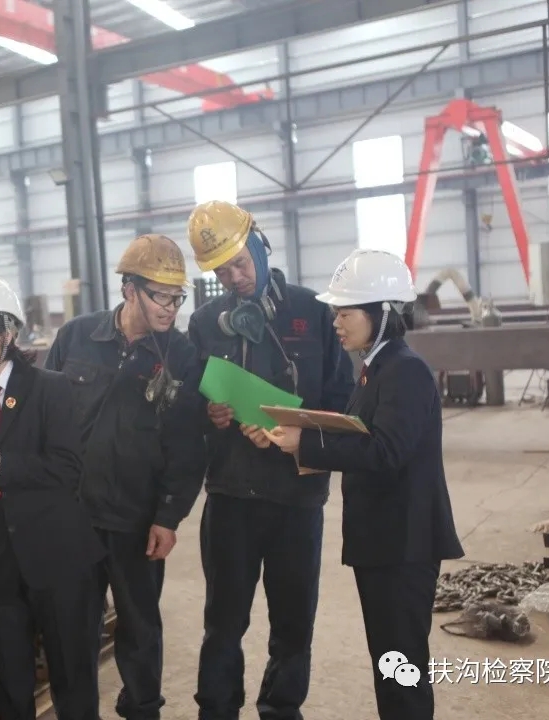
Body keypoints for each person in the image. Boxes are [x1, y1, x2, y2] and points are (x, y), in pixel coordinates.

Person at [266, 248, 464, 720]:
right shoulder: (376, 367)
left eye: (345, 312)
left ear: (384, 312)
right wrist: (309, 436)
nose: (335, 322)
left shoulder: (405, 370)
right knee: (389, 662)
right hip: (383, 540)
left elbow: (385, 451)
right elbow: (362, 436)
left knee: (401, 666)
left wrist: (307, 445)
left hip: (404, 544)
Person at [184, 200, 354, 720]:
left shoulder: (314, 312)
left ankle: (281, 709)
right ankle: (217, 710)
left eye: (240, 263)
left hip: (296, 500)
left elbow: (341, 403)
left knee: (293, 623)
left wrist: (292, 434)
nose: (234, 278)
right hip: (231, 496)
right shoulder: (205, 323)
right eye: (221, 271)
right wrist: (210, 415)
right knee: (223, 623)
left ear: (260, 247)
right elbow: (189, 405)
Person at [44, 234, 206, 720]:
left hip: (137, 520)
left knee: (140, 629)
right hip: (73, 517)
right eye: (161, 296)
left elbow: (188, 447)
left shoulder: (181, 355)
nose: (171, 308)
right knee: (73, 630)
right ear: (129, 289)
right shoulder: (76, 337)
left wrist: (169, 517)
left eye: (177, 297)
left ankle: (141, 710)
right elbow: (43, 418)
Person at [0, 273, 106, 720]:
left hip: (59, 559)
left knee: (73, 680)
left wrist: (2, 465)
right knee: (11, 684)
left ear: (7, 334)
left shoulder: (52, 388)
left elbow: (68, 467)